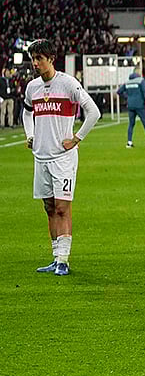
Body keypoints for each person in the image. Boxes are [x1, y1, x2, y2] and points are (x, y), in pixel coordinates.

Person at [23, 39, 101, 276]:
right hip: (41, 157)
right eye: (33, 59)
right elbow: (26, 113)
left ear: (51, 59)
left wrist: (76, 138)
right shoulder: (32, 87)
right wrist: (31, 135)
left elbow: (94, 112)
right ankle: (55, 257)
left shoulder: (67, 83)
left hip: (63, 158)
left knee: (61, 208)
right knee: (48, 207)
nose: (36, 63)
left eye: (40, 59)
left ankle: (64, 260)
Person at [118, 70, 145, 148]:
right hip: (139, 105)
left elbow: (119, 91)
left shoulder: (127, 82)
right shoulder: (140, 81)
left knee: (131, 124)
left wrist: (127, 97)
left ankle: (129, 142)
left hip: (130, 105)